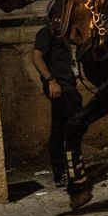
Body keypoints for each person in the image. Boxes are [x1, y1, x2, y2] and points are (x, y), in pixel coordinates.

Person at [32, 25, 81, 188]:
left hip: (67, 85)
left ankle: (66, 171)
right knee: (67, 129)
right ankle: (65, 172)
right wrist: (51, 80)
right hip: (60, 86)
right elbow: (37, 57)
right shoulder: (48, 32)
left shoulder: (64, 33)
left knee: (62, 127)